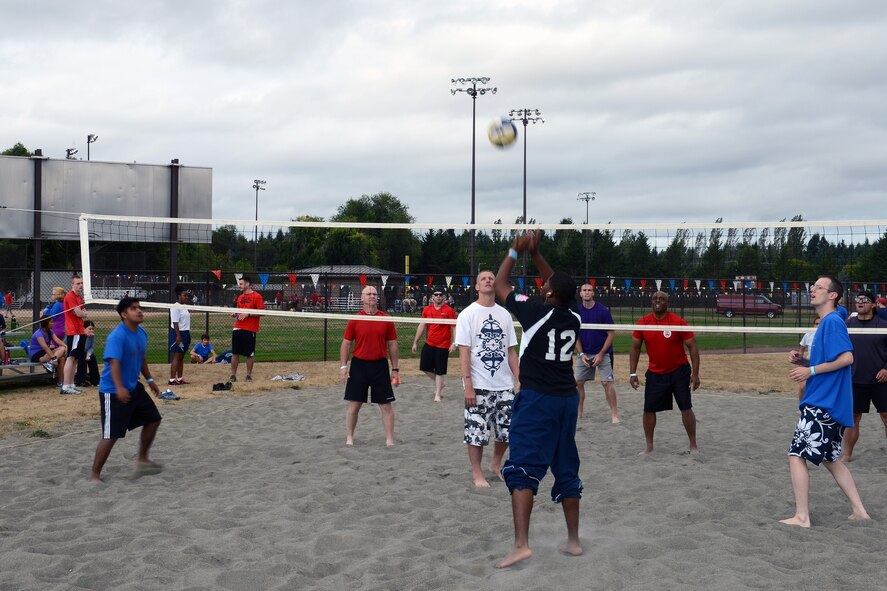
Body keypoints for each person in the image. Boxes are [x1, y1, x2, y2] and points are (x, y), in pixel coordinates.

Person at [495, 231, 583, 569]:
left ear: (548, 294)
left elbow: (501, 284)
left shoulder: (535, 311)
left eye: (546, 287)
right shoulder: (574, 315)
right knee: (565, 465)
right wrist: (537, 252)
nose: (542, 286)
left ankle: (521, 545)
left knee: (522, 467)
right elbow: (557, 283)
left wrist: (516, 252)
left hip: (538, 400)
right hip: (566, 401)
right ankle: (573, 541)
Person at [783, 276, 870, 527]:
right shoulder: (830, 320)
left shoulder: (832, 322)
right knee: (831, 459)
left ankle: (802, 517)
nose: (812, 290)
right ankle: (860, 511)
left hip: (823, 402)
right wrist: (803, 363)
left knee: (796, 455)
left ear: (832, 295)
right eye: (812, 287)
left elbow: (846, 359)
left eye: (819, 287)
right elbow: (830, 364)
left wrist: (809, 372)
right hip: (832, 402)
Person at [454, 272, 519, 488]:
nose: (489, 280)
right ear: (476, 287)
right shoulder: (467, 315)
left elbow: (511, 352)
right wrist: (468, 385)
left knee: (507, 430)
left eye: (492, 278)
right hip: (478, 385)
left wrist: (519, 379)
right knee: (476, 432)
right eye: (483, 278)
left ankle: (495, 463)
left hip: (505, 385)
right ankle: (477, 473)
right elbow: (464, 352)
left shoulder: (505, 315)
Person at [89, 297, 164, 482]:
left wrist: (151, 380)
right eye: (133, 308)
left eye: (140, 307)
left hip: (133, 388)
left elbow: (141, 357)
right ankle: (94, 476)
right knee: (111, 435)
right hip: (113, 391)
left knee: (153, 419)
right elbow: (114, 362)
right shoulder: (117, 336)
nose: (139, 311)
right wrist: (120, 388)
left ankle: (142, 460)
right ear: (124, 314)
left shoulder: (141, 333)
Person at [628, 291, 701, 455]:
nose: (657, 301)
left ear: (668, 303)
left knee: (686, 407)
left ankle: (693, 445)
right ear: (651, 302)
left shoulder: (678, 322)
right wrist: (632, 373)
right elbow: (635, 348)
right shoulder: (643, 322)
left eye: (661, 299)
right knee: (648, 409)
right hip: (655, 373)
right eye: (654, 298)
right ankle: (649, 446)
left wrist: (695, 374)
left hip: (679, 371)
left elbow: (693, 347)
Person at [339, 285, 399, 446]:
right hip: (359, 365)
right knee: (355, 404)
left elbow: (392, 345)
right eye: (368, 294)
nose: (372, 296)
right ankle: (350, 437)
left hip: (379, 366)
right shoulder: (356, 319)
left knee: (386, 405)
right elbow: (346, 344)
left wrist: (395, 370)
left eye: (374, 293)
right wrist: (343, 367)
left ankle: (389, 439)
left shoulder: (386, 318)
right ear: (362, 298)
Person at [842, 291, 887, 462]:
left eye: (865, 300)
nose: (860, 302)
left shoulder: (883, 325)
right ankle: (847, 455)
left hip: (880, 379)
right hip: (855, 378)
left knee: (885, 415)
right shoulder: (847, 325)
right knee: (853, 418)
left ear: (874, 304)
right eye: (857, 300)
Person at [574, 283, 619, 422]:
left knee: (607, 383)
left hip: (603, 352)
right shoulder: (576, 311)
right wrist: (581, 354)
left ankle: (614, 414)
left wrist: (600, 354)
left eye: (589, 290)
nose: (587, 292)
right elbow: (574, 335)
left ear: (593, 293)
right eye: (584, 290)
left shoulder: (602, 311)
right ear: (580, 293)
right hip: (584, 353)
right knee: (578, 383)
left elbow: (611, 334)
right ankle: (579, 411)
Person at [412, 288, 458, 402]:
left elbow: (454, 327)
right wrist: (415, 342)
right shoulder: (427, 309)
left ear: (443, 297)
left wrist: (454, 343)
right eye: (436, 295)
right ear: (432, 297)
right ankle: (440, 383)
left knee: (439, 370)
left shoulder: (449, 310)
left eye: (440, 295)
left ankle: (437, 394)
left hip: (443, 345)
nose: (438, 296)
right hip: (430, 342)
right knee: (424, 367)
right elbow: (422, 325)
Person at [230, 275, 265, 382]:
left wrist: (248, 314)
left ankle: (248, 375)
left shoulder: (257, 296)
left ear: (247, 284)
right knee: (235, 353)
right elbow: (239, 311)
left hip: (250, 329)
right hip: (238, 327)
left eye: (241, 283)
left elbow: (262, 312)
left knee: (249, 354)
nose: (239, 285)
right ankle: (233, 375)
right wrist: (235, 314)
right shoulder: (240, 297)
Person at [61, 274, 89, 395]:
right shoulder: (70, 296)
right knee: (71, 358)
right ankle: (66, 386)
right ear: (72, 284)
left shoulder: (79, 297)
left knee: (75, 358)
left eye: (81, 283)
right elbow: (78, 313)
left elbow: (82, 311)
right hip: (74, 331)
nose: (80, 285)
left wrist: (82, 313)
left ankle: (71, 384)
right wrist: (82, 313)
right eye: (78, 283)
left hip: (80, 330)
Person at [169, 286, 192, 385]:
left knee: (181, 357)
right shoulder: (175, 307)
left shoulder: (184, 307)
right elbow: (175, 323)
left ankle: (180, 377)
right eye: (184, 295)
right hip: (178, 333)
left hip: (186, 333)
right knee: (177, 356)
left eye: (187, 295)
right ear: (179, 296)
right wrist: (178, 336)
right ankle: (172, 379)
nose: (186, 297)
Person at [797, 316, 820, 400]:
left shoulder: (828, 335)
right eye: (816, 324)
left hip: (821, 365)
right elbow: (801, 348)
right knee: (803, 387)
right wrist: (800, 361)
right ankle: (801, 406)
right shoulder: (808, 334)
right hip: (808, 363)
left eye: (820, 324)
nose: (818, 326)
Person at [75, 320, 101, 387]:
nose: (91, 330)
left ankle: (95, 381)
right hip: (76, 352)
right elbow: (80, 347)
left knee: (92, 357)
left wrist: (88, 354)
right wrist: (86, 336)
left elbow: (91, 347)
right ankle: (80, 381)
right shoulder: (79, 335)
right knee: (82, 357)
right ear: (84, 329)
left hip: (85, 352)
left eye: (92, 329)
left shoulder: (92, 336)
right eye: (89, 329)